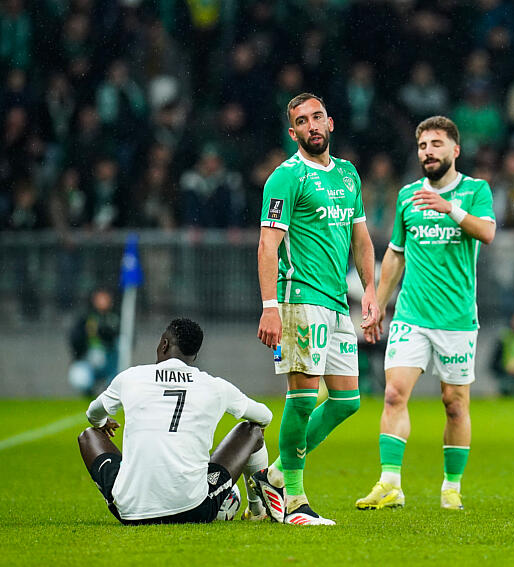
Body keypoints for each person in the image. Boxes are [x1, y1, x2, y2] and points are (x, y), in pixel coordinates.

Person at [355, 115, 496, 511]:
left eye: (436, 144)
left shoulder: (475, 190)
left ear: (455, 149)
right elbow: (395, 256)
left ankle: (451, 486)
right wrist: (378, 305)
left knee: (454, 402)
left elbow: (487, 233)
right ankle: (390, 483)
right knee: (394, 393)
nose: (428, 152)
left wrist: (448, 208)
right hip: (411, 316)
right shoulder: (407, 196)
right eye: (422, 146)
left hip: (456, 319)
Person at [253, 93, 378, 526]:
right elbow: (268, 245)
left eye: (318, 117)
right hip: (298, 298)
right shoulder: (285, 178)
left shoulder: (348, 174)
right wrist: (270, 306)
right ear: (293, 133)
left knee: (347, 401)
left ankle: (272, 475)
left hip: (337, 303)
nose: (312, 126)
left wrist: (372, 295)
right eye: (302, 121)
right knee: (303, 398)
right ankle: (294, 501)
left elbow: (362, 240)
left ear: (331, 122)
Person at [77, 318, 273, 524]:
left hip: (130, 512)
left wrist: (101, 424)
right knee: (252, 430)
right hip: (193, 509)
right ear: (194, 355)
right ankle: (256, 509)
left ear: (163, 344)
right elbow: (265, 416)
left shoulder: (131, 377)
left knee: (89, 436)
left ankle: (128, 494)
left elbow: (93, 414)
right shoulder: (215, 386)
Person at [68, 288, 120, 396]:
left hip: (110, 359)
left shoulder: (116, 317)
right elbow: (75, 340)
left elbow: (126, 338)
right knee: (80, 378)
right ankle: (89, 390)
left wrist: (103, 332)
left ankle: (111, 388)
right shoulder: (85, 317)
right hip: (88, 359)